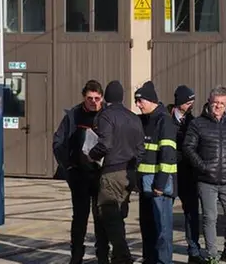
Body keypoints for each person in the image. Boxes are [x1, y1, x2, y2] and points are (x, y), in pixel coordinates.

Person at [88, 80, 145, 264]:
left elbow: (105, 143)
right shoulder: (134, 117)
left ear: (107, 97)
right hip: (128, 174)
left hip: (111, 172)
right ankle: (113, 257)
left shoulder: (106, 116)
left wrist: (91, 153)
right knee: (118, 217)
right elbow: (141, 149)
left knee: (108, 216)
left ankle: (122, 257)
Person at [52, 80, 107, 264]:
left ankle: (102, 255)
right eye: (89, 98)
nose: (93, 102)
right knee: (80, 219)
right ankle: (76, 256)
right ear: (84, 97)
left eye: (97, 98)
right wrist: (68, 168)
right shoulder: (74, 115)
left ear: (102, 98)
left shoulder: (107, 114)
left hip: (101, 175)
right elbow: (58, 143)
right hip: (79, 175)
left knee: (101, 218)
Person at [184, 86, 226, 264]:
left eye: (222, 103)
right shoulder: (197, 124)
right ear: (209, 102)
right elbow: (188, 147)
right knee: (210, 218)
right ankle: (212, 255)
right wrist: (202, 166)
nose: (218, 106)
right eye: (215, 102)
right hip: (206, 180)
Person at [133, 81, 177, 264]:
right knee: (148, 227)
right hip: (146, 186)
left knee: (162, 230)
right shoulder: (145, 120)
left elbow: (167, 155)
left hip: (159, 187)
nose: (137, 105)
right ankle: (149, 259)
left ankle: (163, 261)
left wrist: (159, 184)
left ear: (151, 100)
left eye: (140, 101)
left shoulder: (164, 120)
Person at [169, 85, 202, 263]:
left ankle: (194, 251)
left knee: (192, 214)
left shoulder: (193, 122)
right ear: (179, 102)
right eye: (188, 101)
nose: (191, 103)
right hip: (171, 174)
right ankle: (161, 250)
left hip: (189, 174)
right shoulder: (166, 121)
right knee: (165, 215)